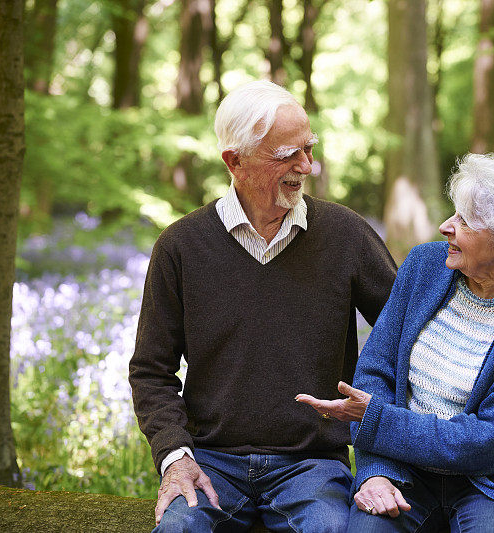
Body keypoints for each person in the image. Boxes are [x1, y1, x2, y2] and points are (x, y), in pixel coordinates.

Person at [129, 80, 397, 533]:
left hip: (312, 465)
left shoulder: (346, 235)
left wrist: (383, 451)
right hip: (211, 462)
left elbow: (406, 338)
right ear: (235, 162)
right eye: (287, 155)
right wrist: (176, 457)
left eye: (309, 150)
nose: (306, 166)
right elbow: (151, 372)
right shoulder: (180, 246)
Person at [296, 152, 494, 533]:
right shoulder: (424, 267)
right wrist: (375, 473)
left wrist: (378, 418)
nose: (446, 226)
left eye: (463, 221)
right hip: (402, 466)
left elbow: (489, 441)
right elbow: (375, 375)